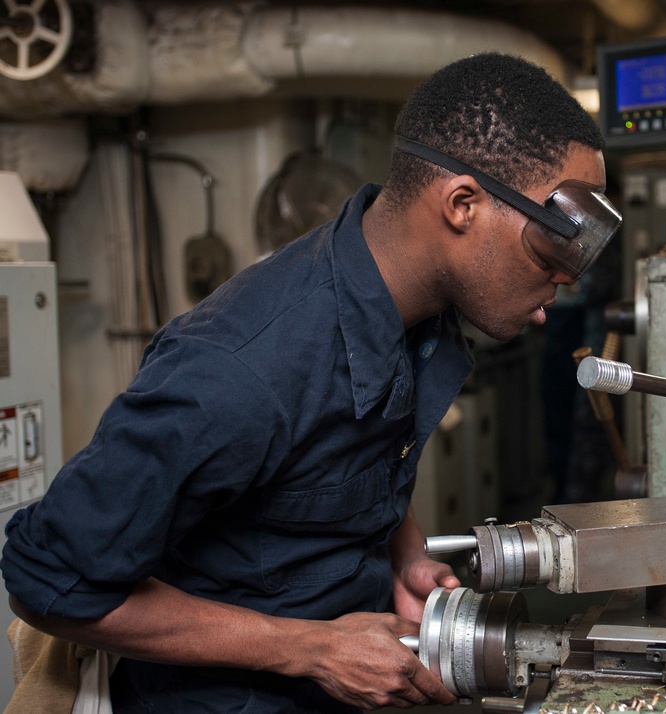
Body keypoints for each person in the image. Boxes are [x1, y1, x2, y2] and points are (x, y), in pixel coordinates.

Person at [1, 52, 620, 713]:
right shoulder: (239, 370)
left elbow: (341, 459)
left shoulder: (416, 311)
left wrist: (402, 555)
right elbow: (47, 583)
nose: (568, 277)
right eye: (550, 248)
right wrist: (310, 648)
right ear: (462, 204)